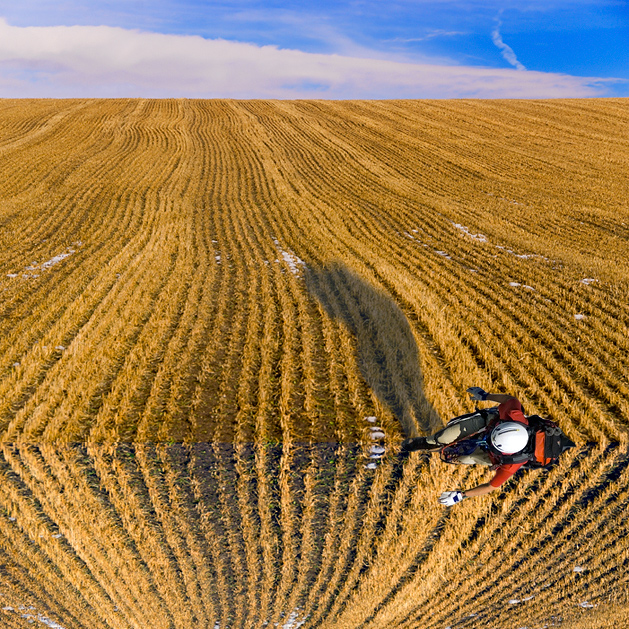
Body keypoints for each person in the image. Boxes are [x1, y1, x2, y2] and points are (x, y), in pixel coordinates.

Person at [401, 387, 535, 506]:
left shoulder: (512, 464)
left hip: (494, 451)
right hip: (489, 423)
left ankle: (446, 451)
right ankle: (426, 442)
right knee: (443, 437)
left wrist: (461, 495)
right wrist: (485, 395)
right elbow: (508, 398)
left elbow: (490, 486)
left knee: (464, 458)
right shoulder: (513, 413)